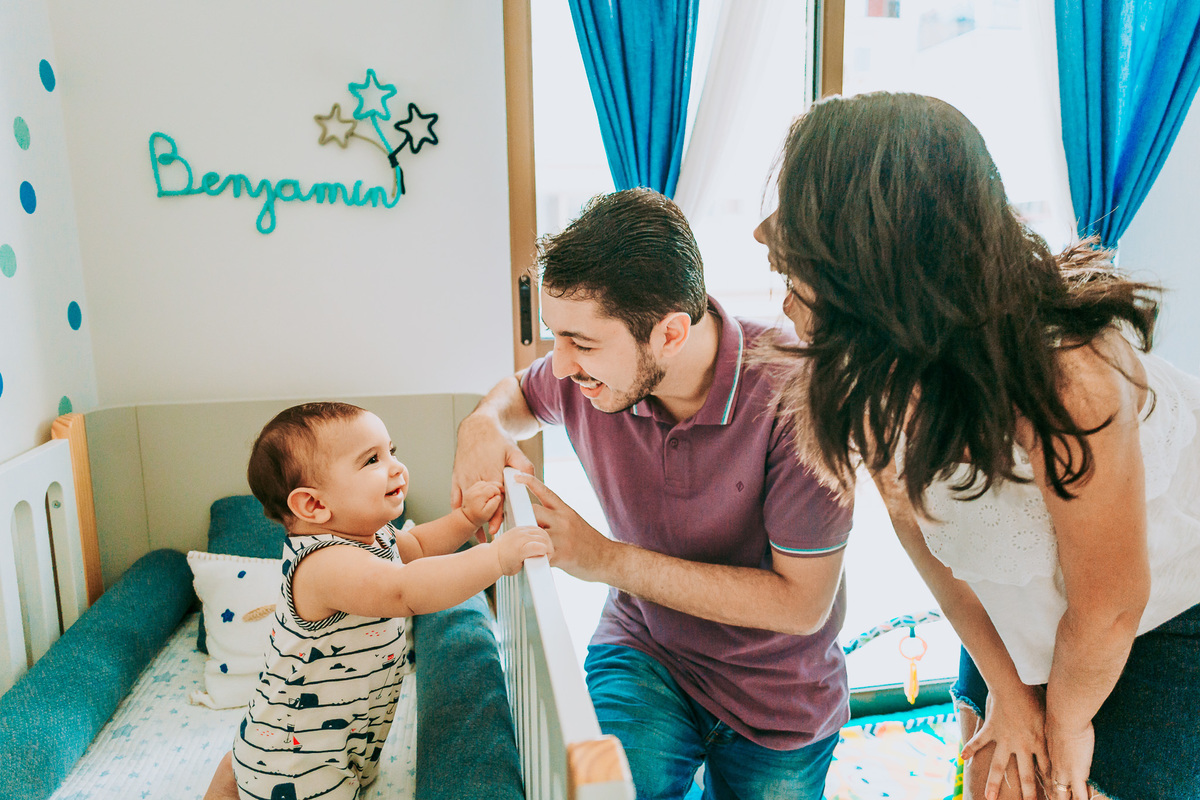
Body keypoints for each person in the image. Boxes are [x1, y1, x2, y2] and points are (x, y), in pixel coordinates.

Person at [754, 91, 1200, 800]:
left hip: (1161, 615)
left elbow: (1110, 603)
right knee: (992, 775)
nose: (762, 233)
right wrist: (1007, 688)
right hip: (1017, 594)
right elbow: (917, 527)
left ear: (877, 251)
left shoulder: (1069, 380)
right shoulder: (868, 360)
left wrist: (1062, 727)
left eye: (798, 219)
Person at [451, 187, 854, 800]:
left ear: (669, 334)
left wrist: (602, 559)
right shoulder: (589, 378)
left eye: (582, 344)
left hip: (779, 692)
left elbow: (801, 606)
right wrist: (480, 424)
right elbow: (518, 397)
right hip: (647, 651)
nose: (559, 367)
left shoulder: (799, 397)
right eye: (555, 337)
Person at [204, 401, 551, 800]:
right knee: (249, 772)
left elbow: (418, 546)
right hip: (297, 765)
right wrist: (494, 558)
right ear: (314, 505)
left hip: (335, 742)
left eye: (391, 450)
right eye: (371, 460)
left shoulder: (375, 536)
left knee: (239, 768)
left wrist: (466, 518)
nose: (396, 467)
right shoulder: (325, 565)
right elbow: (405, 589)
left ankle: (235, 774)